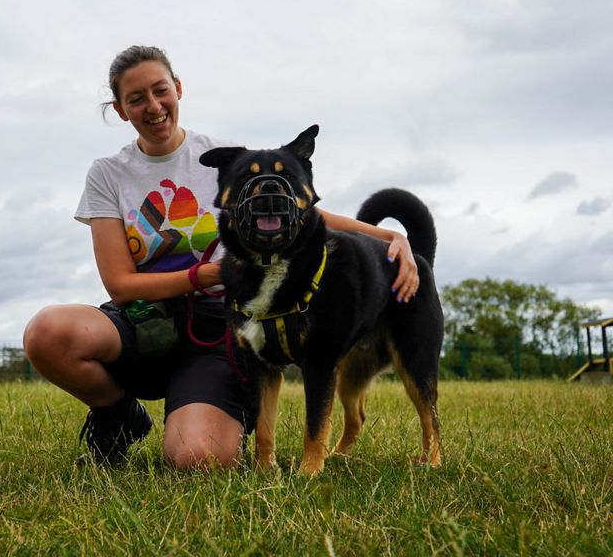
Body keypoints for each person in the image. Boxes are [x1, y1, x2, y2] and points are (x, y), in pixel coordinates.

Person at [23, 45, 420, 470]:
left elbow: (299, 213)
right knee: (47, 332)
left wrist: (388, 235)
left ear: (178, 89)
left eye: (161, 91)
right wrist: (210, 274)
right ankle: (120, 415)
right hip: (142, 320)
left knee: (199, 459)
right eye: (136, 99)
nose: (153, 107)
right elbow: (120, 284)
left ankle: (219, 410)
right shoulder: (107, 173)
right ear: (121, 110)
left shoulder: (226, 157)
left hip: (216, 328)